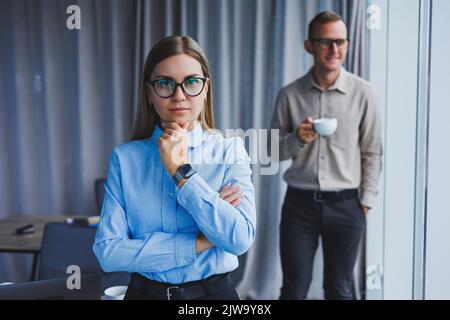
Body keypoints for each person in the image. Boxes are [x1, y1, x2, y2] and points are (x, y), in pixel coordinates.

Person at [93, 35, 256, 300]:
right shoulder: (125, 159)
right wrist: (200, 242)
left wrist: (181, 172)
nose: (179, 95)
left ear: (206, 90)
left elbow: (238, 239)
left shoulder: (229, 151)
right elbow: (109, 254)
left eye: (191, 82)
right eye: (165, 83)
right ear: (149, 93)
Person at [271, 11, 382, 300]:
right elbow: (271, 151)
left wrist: (365, 203)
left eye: (341, 42)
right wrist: (297, 139)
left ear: (347, 45)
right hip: (299, 205)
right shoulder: (289, 95)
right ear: (309, 46)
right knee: (294, 289)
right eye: (326, 42)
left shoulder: (364, 93)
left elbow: (372, 152)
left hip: (347, 205)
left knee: (339, 289)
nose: (334, 50)